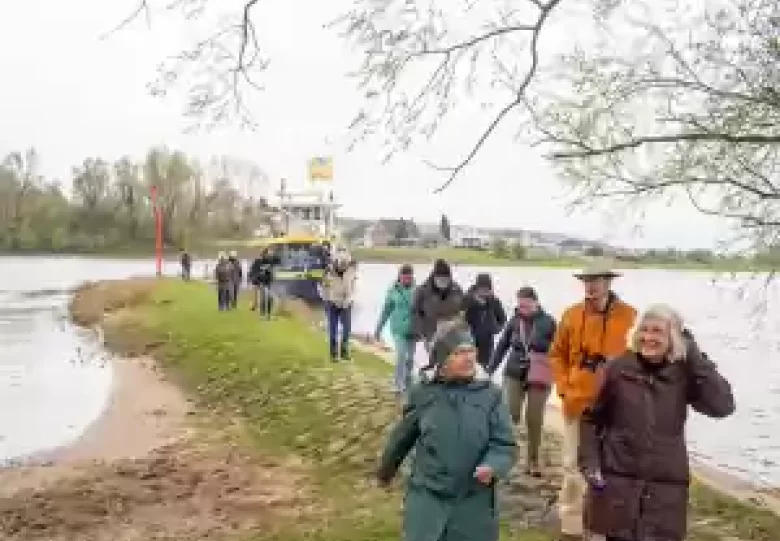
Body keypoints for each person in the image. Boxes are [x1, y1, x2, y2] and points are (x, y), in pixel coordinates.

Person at [579, 304, 735, 541]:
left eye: (657, 332)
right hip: (619, 485)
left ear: (674, 338)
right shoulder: (617, 369)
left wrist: (694, 357)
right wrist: (590, 463)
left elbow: (722, 406)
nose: (648, 337)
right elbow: (591, 419)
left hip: (665, 492)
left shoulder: (685, 374)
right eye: (644, 330)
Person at [377, 322, 517, 541]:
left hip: (473, 499)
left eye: (471, 351)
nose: (469, 358)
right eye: (459, 352)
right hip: (428, 495)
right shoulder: (424, 392)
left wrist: (493, 465)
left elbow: (504, 444)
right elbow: (402, 436)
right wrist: (386, 471)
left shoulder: (492, 395)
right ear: (442, 359)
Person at [549, 262, 637, 541]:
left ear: (608, 282)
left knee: (612, 465)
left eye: (597, 280)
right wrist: (564, 387)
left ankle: (604, 521)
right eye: (587, 280)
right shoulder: (571, 315)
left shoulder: (630, 316)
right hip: (577, 400)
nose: (592, 285)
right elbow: (556, 355)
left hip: (615, 405)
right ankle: (572, 523)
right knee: (572, 464)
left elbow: (640, 357)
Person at [487, 286, 556, 477]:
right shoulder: (515, 321)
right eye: (520, 306)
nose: (523, 309)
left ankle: (533, 460)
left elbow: (560, 349)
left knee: (534, 418)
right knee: (512, 415)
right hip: (514, 372)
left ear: (536, 302)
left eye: (526, 305)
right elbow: (501, 346)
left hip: (539, 374)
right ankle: (504, 454)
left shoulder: (548, 322)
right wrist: (489, 370)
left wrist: (545, 355)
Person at [375, 264, 416, 396]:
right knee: (401, 356)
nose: (407, 280)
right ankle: (398, 385)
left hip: (413, 330)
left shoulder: (419, 290)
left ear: (412, 277)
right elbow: (386, 310)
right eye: (404, 277)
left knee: (410, 358)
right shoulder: (393, 290)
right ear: (399, 277)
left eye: (409, 278)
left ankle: (408, 382)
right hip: (398, 329)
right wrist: (378, 329)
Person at [411, 259, 465, 353]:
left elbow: (463, 310)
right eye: (440, 278)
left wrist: (457, 321)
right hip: (431, 333)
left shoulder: (457, 289)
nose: (443, 281)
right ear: (434, 277)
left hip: (453, 332)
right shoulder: (422, 291)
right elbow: (415, 313)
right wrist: (421, 334)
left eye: (446, 278)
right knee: (439, 360)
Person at [463, 273, 506, 371]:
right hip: (468, 341)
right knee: (467, 368)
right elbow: (459, 318)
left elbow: (503, 319)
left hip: (487, 342)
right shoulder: (467, 299)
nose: (484, 292)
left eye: (487, 290)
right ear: (477, 288)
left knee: (483, 369)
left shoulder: (494, 301)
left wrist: (495, 329)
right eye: (482, 289)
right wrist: (474, 303)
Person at [322, 251, 357, 361]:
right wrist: (328, 300)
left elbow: (353, 287)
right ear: (336, 263)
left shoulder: (352, 271)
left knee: (347, 329)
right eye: (341, 265)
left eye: (345, 265)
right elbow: (324, 288)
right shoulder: (329, 272)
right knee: (333, 329)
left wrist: (349, 300)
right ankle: (333, 354)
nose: (343, 267)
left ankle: (344, 352)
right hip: (332, 303)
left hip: (347, 303)